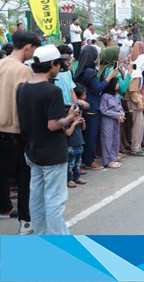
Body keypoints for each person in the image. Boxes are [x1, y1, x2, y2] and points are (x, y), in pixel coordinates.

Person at [18, 44, 82, 235]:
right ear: (52, 64)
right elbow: (53, 124)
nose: (59, 69)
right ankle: (57, 241)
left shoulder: (23, 88)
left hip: (32, 149)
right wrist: (71, 117)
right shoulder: (51, 91)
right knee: (54, 199)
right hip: (52, 151)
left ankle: (41, 235)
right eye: (58, 65)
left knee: (36, 197)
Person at [0, 30, 40, 234]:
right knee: (25, 179)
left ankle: (4, 208)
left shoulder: (1, 64)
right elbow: (25, 104)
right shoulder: (23, 70)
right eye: (34, 49)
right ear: (28, 47)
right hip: (16, 131)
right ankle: (25, 220)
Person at [74, 45, 114, 169]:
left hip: (83, 104)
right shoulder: (90, 72)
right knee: (91, 134)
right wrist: (109, 77)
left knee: (85, 134)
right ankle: (89, 160)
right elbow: (98, 89)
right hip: (92, 106)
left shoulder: (80, 70)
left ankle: (84, 159)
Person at [100, 78, 125, 169]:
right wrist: (117, 114)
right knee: (107, 139)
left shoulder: (117, 95)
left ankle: (114, 158)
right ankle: (107, 160)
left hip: (117, 119)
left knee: (115, 138)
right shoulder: (105, 96)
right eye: (116, 83)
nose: (117, 85)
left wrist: (122, 113)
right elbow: (103, 110)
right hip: (107, 120)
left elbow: (120, 106)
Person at [66, 86, 87, 188]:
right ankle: (69, 179)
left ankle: (77, 177)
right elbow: (68, 133)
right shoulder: (67, 122)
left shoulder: (78, 119)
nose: (77, 115)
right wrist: (73, 123)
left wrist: (82, 122)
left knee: (77, 163)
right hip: (71, 146)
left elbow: (83, 129)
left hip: (79, 144)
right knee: (70, 164)